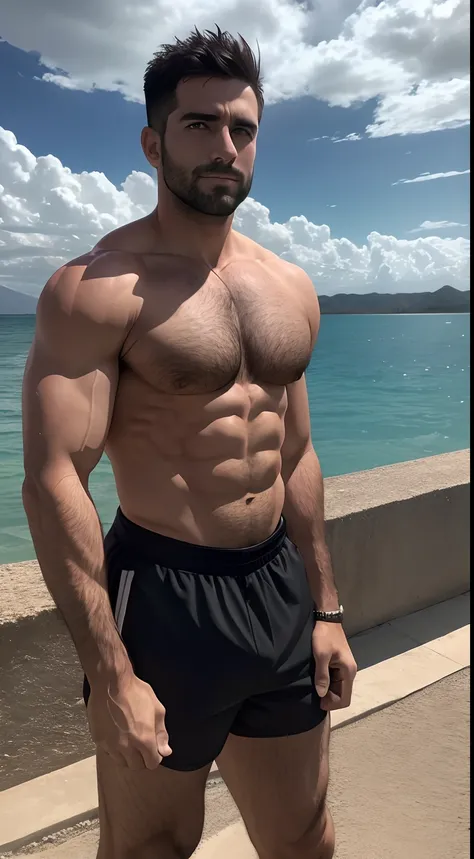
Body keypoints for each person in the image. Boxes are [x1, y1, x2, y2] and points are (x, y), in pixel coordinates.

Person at [22, 26, 357, 859]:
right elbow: (55, 475)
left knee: (307, 838)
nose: (226, 146)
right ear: (152, 141)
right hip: (166, 598)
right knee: (151, 847)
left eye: (242, 129)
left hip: (276, 587)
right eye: (200, 125)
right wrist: (110, 672)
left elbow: (297, 455)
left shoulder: (289, 287)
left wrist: (325, 607)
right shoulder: (96, 289)